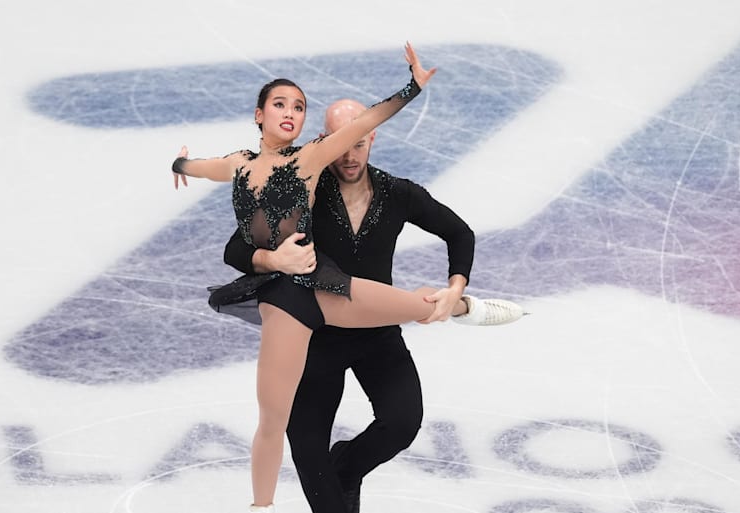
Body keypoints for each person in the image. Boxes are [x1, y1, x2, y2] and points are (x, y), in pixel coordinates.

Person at [170, 42, 524, 512]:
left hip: (363, 317)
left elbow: (456, 228)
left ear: (369, 141)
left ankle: (462, 308)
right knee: (295, 436)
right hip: (312, 322)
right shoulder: (290, 175)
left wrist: (457, 283)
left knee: (406, 397)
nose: (351, 152)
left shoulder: (366, 182)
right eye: (280, 104)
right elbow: (235, 236)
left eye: (298, 105)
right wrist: (269, 258)